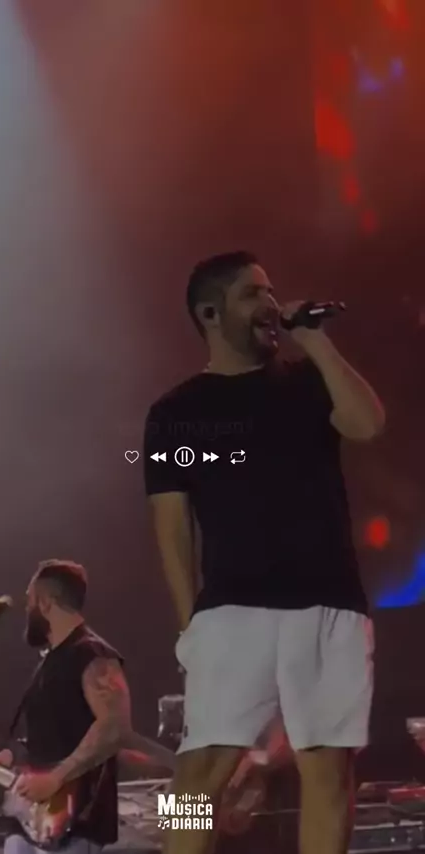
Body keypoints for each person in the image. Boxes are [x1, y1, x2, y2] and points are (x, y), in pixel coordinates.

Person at [143, 251, 385, 854]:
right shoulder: (175, 413)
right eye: (253, 294)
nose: (272, 305)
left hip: (329, 601)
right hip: (232, 609)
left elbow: (368, 424)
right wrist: (189, 626)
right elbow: (172, 528)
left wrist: (317, 342)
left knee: (329, 771)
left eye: (271, 291)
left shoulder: (308, 380)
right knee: (197, 774)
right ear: (210, 313)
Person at [0, 560, 131, 854]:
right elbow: (48, 740)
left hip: (74, 827)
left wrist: (55, 778)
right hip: (32, 826)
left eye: (29, 600)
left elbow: (115, 727)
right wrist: (6, 757)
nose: (26, 609)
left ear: (45, 603)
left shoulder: (93, 654)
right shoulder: (49, 664)